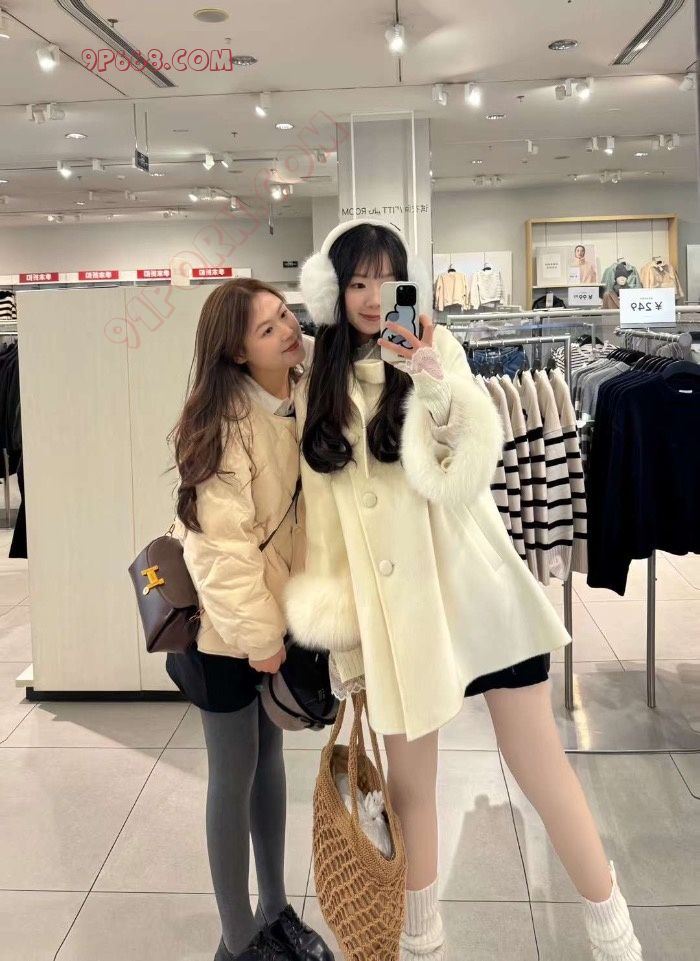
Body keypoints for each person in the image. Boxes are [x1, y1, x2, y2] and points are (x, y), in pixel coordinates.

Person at [285, 220, 643, 961]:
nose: (373, 297)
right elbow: (324, 528)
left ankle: (614, 932)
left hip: (477, 594)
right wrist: (344, 640)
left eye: (386, 280)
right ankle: (422, 943)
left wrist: (429, 377)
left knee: (540, 765)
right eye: (357, 282)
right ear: (333, 291)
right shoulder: (320, 384)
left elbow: (463, 470)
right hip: (399, 616)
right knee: (412, 790)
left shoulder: (436, 348)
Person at [168, 279, 334, 961]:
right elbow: (220, 550)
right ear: (237, 353)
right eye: (268, 329)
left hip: (275, 619)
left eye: (285, 314)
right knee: (232, 775)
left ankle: (275, 909)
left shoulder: (299, 390)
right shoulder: (220, 425)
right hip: (224, 633)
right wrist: (261, 639)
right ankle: (237, 941)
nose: (288, 330)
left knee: (269, 764)